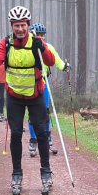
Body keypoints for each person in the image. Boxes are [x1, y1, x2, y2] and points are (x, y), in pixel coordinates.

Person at [0, 6, 56, 195]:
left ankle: (46, 172)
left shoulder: (36, 42)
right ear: (12, 26)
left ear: (28, 25)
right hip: (14, 97)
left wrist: (42, 48)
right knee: (16, 134)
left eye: (23, 25)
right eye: (16, 26)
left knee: (42, 133)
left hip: (36, 95)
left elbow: (49, 61)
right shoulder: (6, 43)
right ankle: (16, 173)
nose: (20, 29)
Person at [26, 23, 71, 156]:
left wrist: (65, 66)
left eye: (42, 35)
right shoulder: (28, 47)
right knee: (32, 114)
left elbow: (56, 60)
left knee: (45, 112)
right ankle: (33, 139)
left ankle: (47, 135)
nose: (41, 38)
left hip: (44, 83)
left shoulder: (48, 47)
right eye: (38, 35)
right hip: (29, 84)